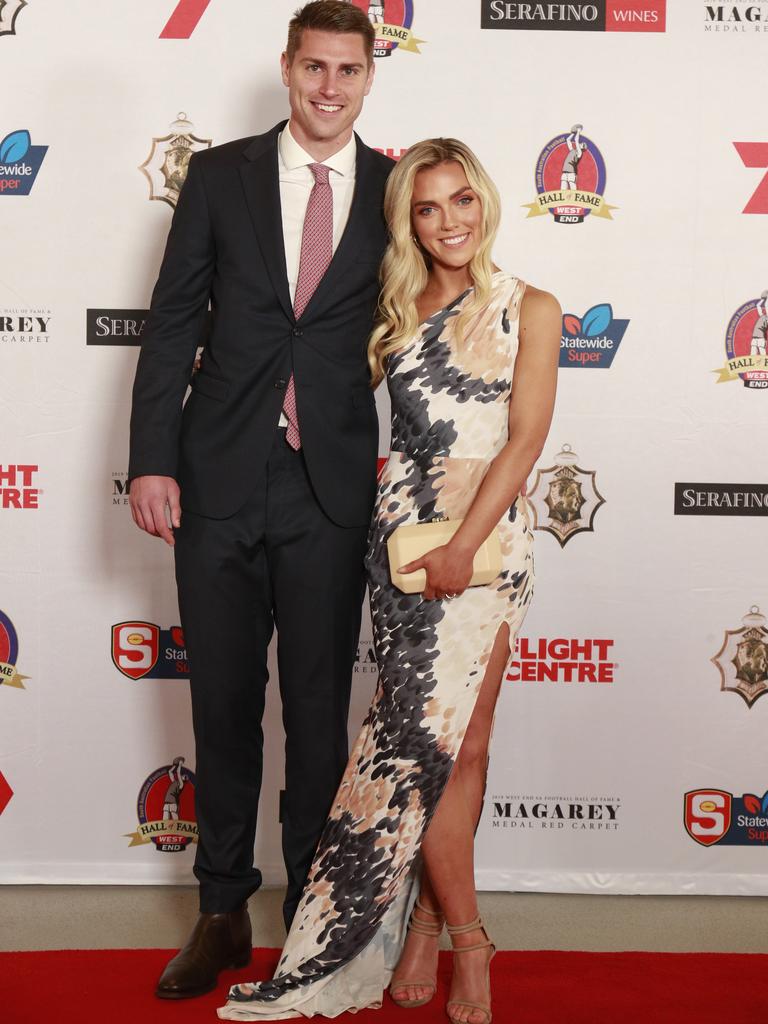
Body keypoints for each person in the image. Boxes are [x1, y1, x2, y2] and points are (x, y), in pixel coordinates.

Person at [218, 139, 560, 1024]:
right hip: (407, 544)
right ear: (407, 222)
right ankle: (462, 936)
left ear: (485, 203)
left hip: (487, 547)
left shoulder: (534, 306)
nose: (449, 221)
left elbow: (524, 442)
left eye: (461, 201)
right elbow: (300, 368)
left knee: (468, 748)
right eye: (426, 207)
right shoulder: (393, 305)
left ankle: (434, 933)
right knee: (421, 752)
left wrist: (467, 545)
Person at [128, 1, 394, 1000]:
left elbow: (422, 326)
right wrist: (153, 458)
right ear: (287, 68)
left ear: (370, 78)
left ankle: (312, 915)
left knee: (321, 713)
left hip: (329, 482)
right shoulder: (219, 174)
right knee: (225, 701)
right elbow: (168, 324)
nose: (330, 88)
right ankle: (223, 907)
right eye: (315, 67)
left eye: (349, 71)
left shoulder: (394, 185)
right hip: (217, 475)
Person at [561, 123, 587, 191]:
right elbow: (568, 140)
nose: (581, 144)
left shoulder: (579, 153)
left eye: (582, 145)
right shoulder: (572, 150)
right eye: (581, 144)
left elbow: (576, 140)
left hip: (571, 173)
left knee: (573, 191)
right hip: (564, 172)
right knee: (562, 191)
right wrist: (573, 133)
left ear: (583, 148)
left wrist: (578, 131)